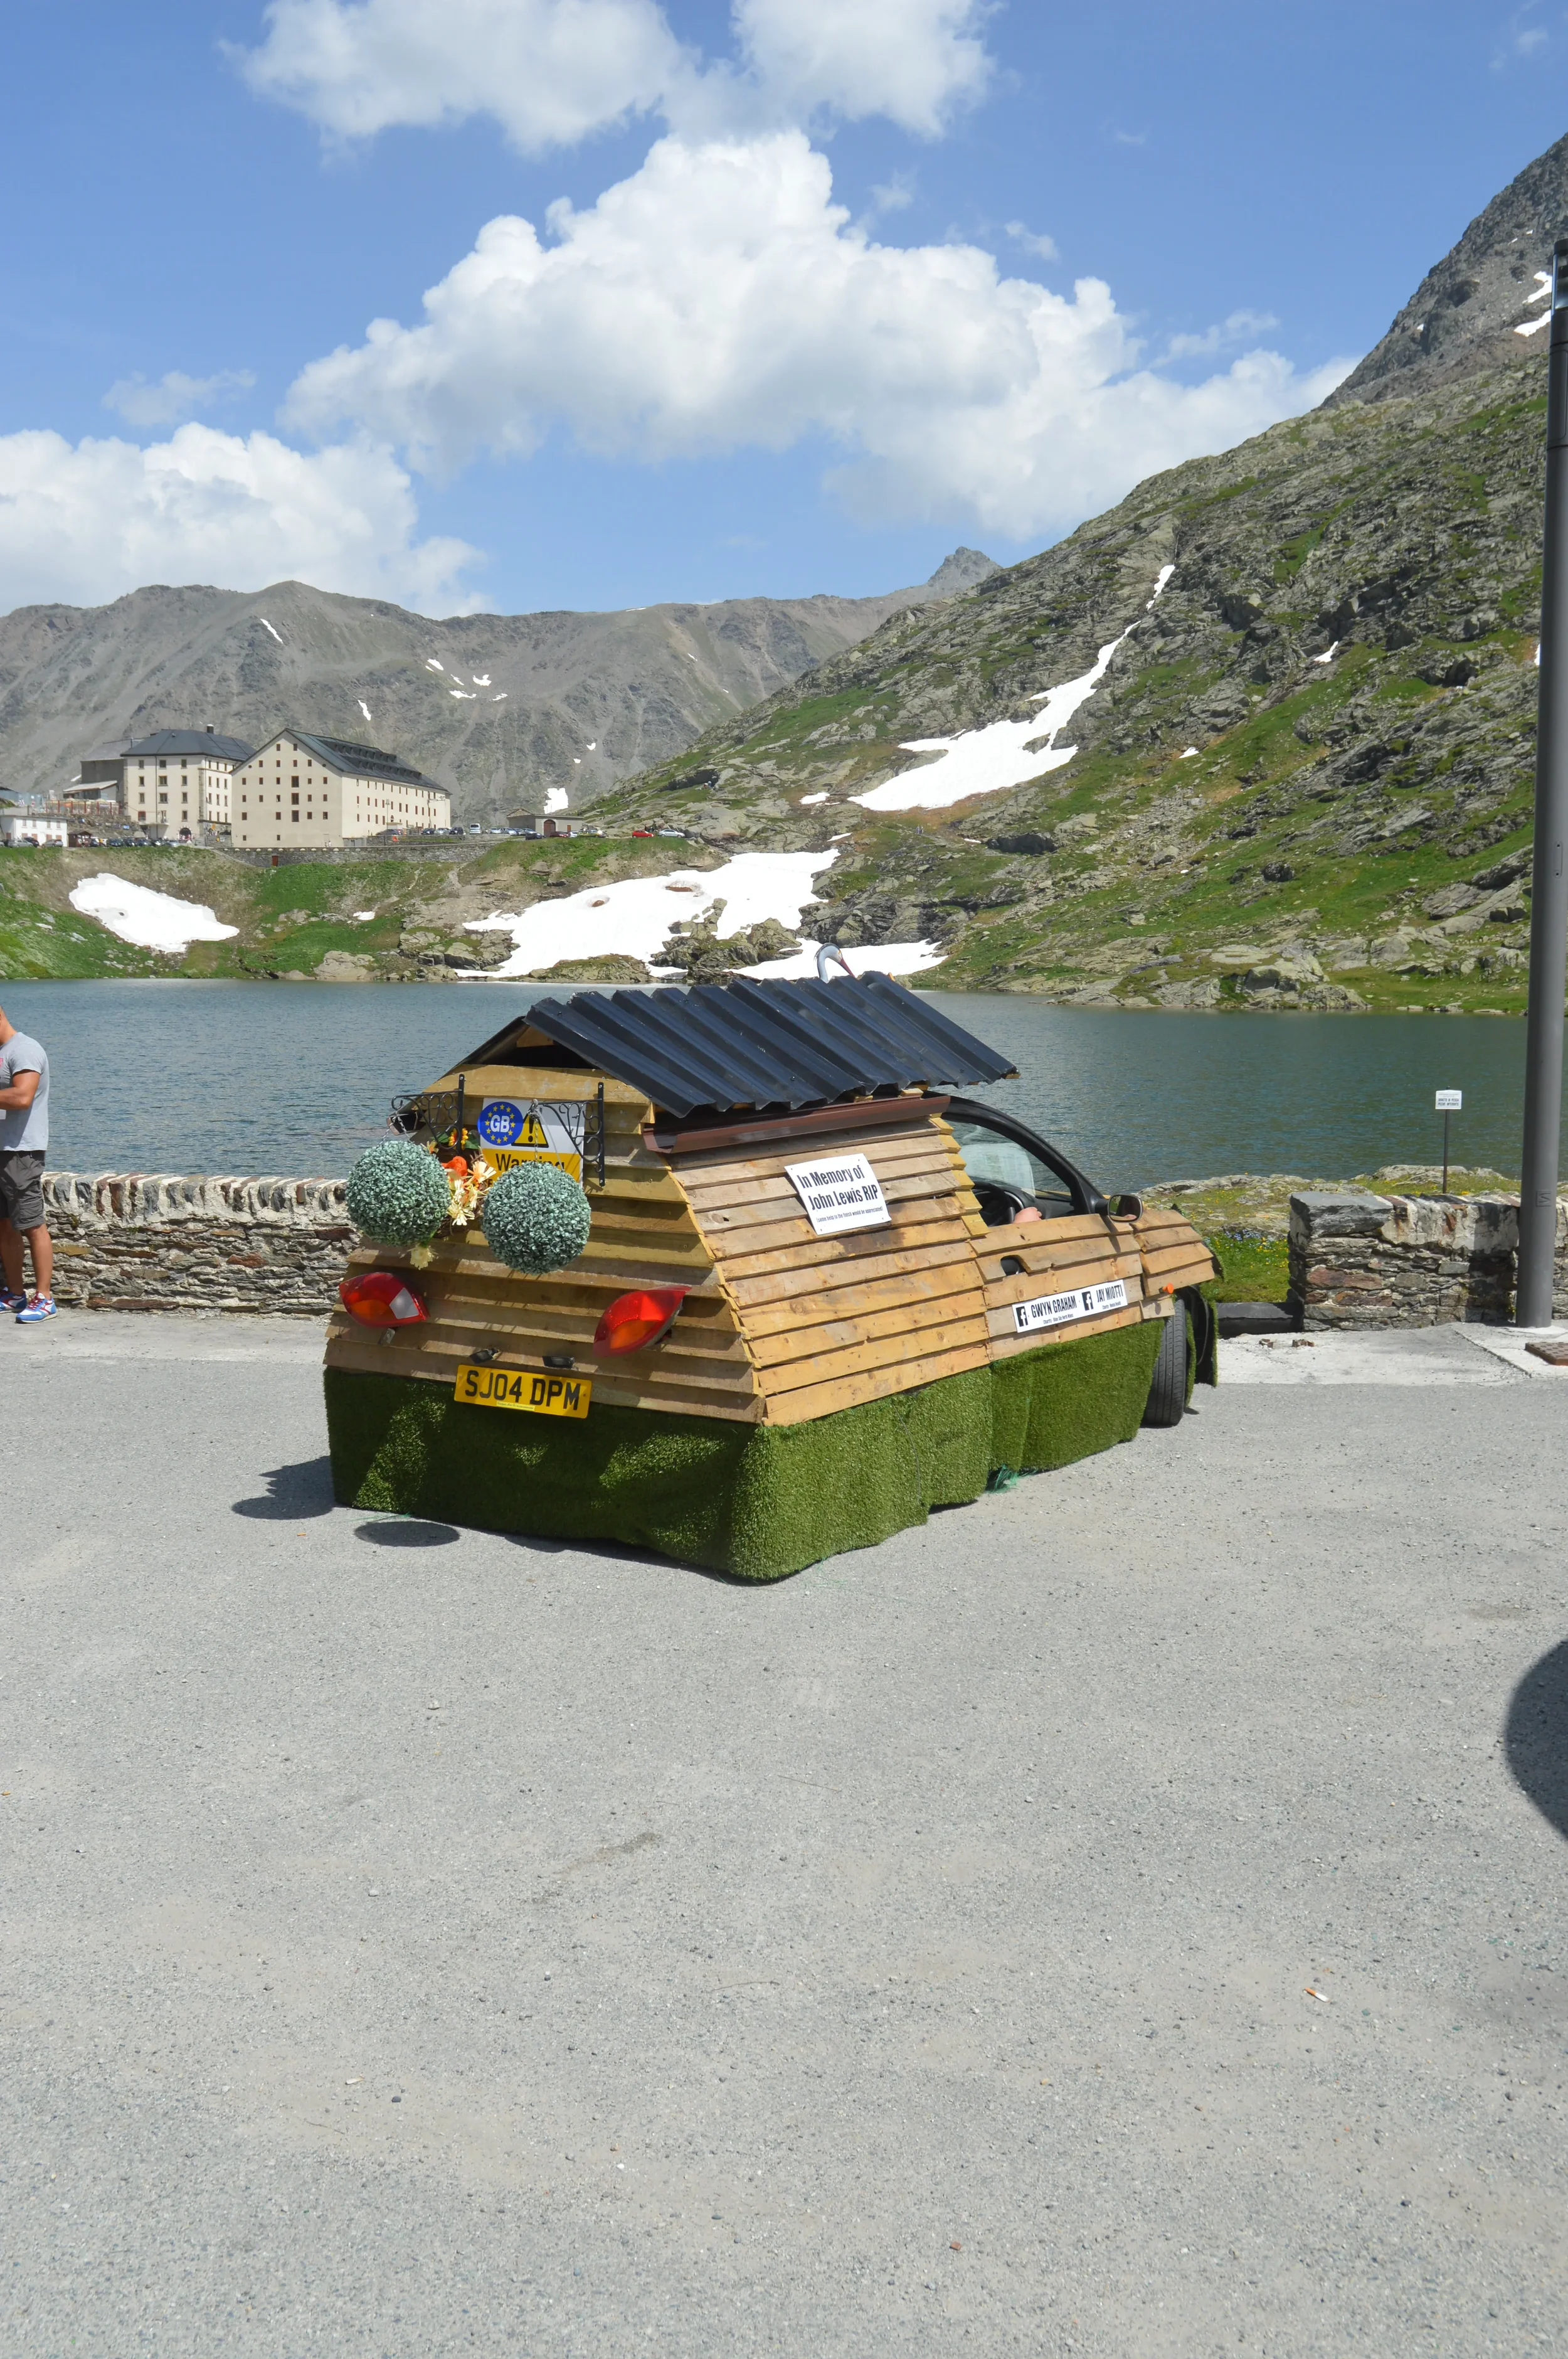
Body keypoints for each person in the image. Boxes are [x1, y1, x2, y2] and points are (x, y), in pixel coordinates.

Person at [0, 1004, 55, 1322]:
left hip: (22, 1152)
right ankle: (16, 1295)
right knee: (4, 1224)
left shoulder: (25, 1050)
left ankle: (45, 1298)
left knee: (32, 1224)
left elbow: (22, 1097)